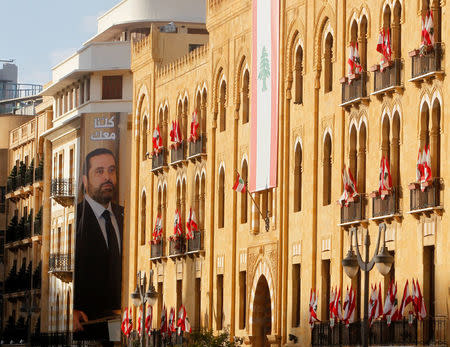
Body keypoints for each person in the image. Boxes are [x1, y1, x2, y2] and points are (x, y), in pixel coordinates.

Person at [73, 148, 123, 334]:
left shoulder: (126, 216)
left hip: (122, 321)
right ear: (85, 180)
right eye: (99, 171)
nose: (107, 177)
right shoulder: (74, 218)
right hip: (87, 324)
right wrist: (69, 311)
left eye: (111, 170)